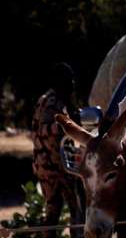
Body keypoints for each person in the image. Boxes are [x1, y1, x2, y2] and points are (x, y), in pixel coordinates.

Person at [32, 63, 82, 234]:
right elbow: (45, 130)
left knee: (53, 212)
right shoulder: (53, 102)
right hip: (57, 167)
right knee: (76, 210)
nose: (73, 84)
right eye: (70, 81)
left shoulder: (46, 99)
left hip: (48, 166)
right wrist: (69, 124)